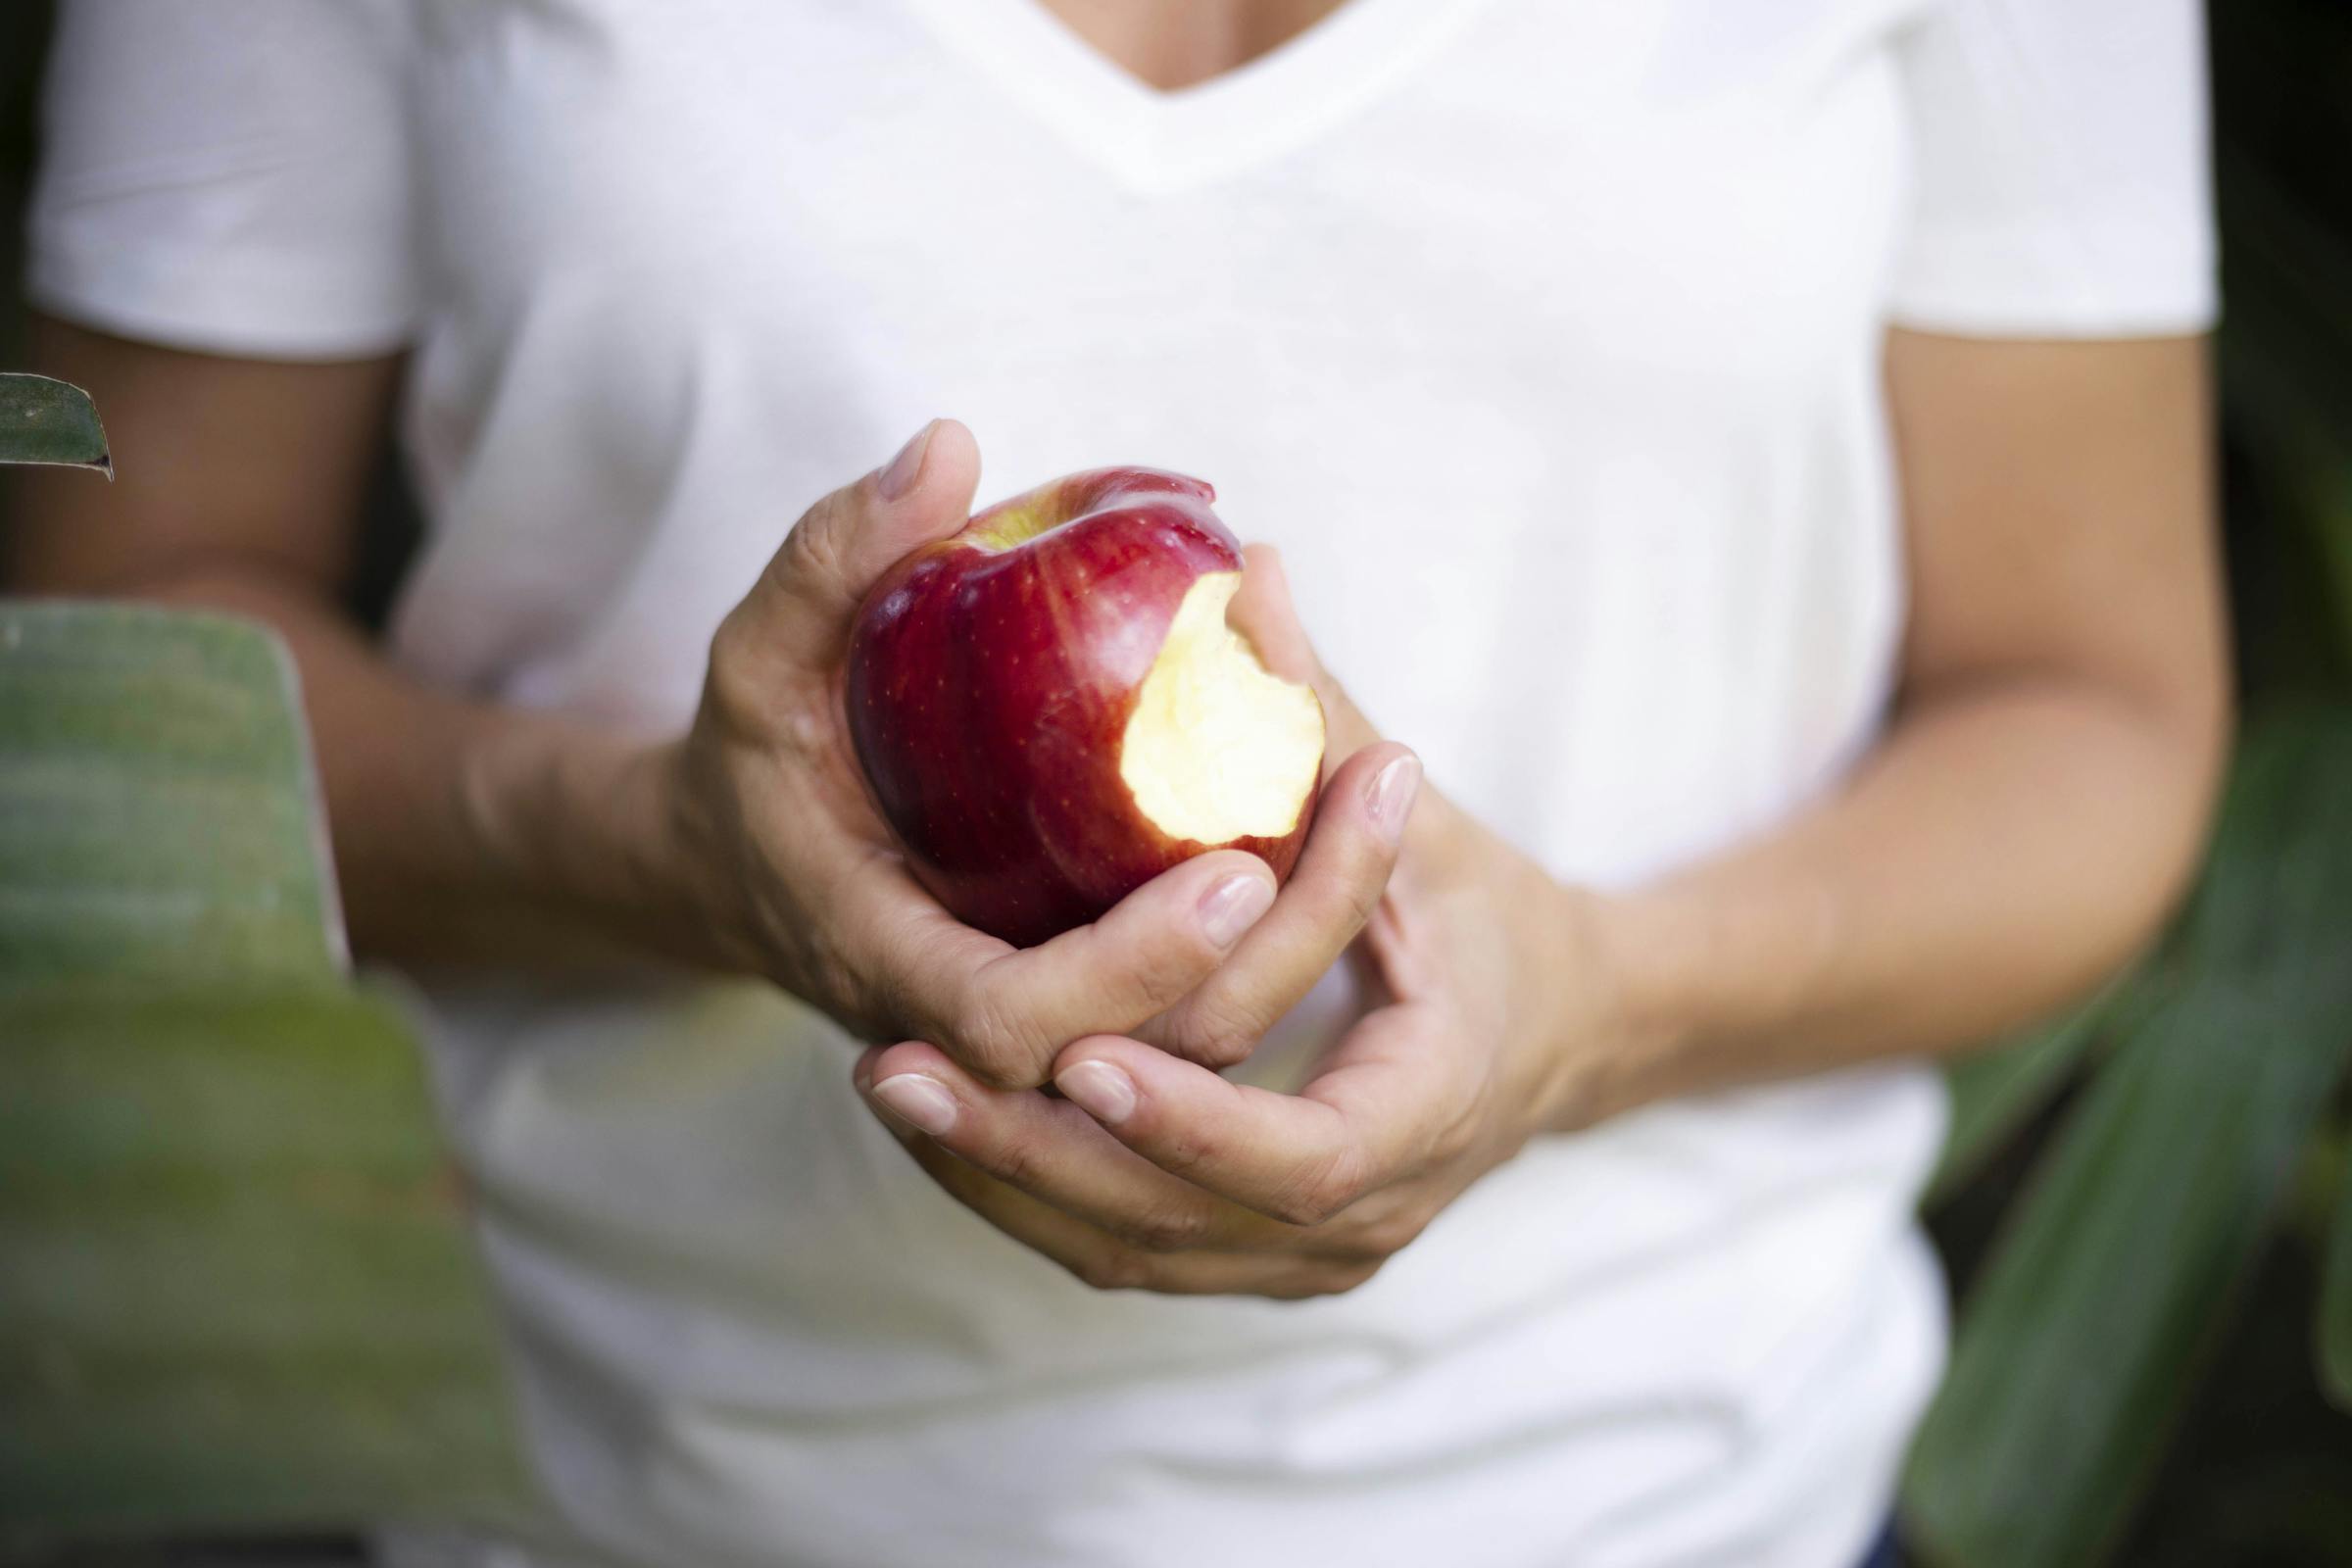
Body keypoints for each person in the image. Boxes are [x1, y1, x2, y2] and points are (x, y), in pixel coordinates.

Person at [8, 1, 2228, 1564]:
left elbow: (2092, 704)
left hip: (1663, 1492)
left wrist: (1598, 1000)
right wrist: (664, 855)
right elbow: (102, 677)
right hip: (637, 1499)